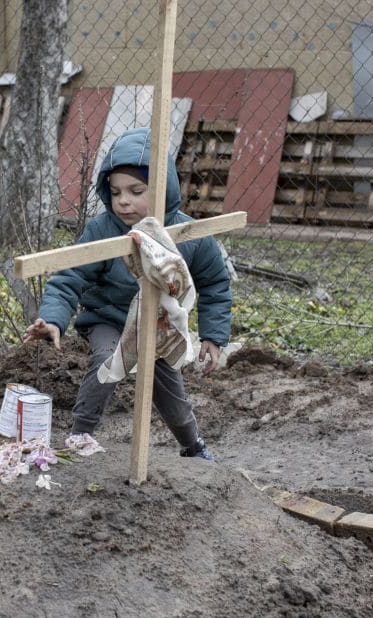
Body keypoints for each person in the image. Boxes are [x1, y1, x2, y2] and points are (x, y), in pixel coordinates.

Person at [23, 127, 232, 461]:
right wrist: (52, 319)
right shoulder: (103, 230)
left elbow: (215, 284)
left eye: (136, 191)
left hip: (159, 325)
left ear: (163, 190)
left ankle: (193, 446)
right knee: (108, 357)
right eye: (116, 191)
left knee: (170, 392)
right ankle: (80, 435)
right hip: (109, 319)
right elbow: (71, 275)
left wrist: (214, 335)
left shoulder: (189, 236)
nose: (123, 200)